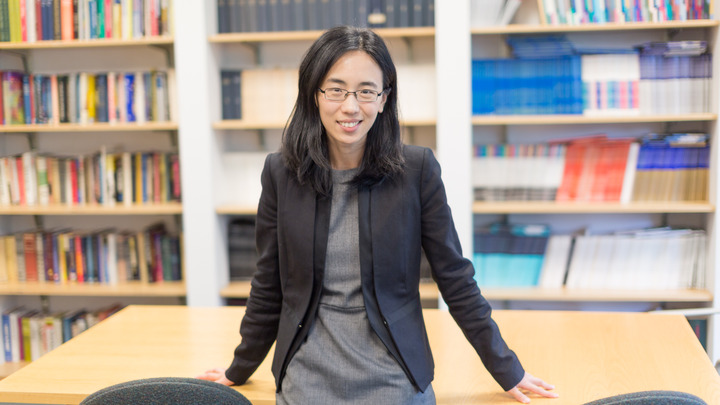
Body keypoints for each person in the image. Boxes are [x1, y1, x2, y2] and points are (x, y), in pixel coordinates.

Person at [197, 25, 558, 404]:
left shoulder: (417, 171)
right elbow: (268, 284)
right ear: (313, 95)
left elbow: (454, 277)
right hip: (308, 372)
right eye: (336, 90)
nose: (350, 106)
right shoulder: (281, 173)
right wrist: (239, 368)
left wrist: (506, 369)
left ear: (385, 98)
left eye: (366, 91)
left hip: (393, 372)